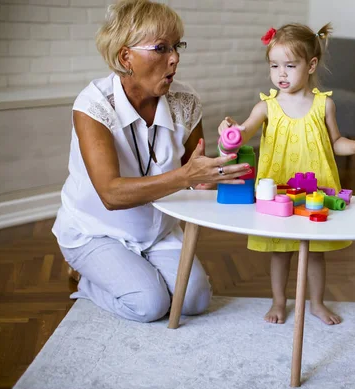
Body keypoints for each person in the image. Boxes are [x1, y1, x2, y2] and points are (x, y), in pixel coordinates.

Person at [52, 0, 251, 323]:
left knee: (195, 301)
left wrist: (215, 169)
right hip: (97, 230)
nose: (174, 58)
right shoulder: (93, 105)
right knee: (150, 304)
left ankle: (134, 273)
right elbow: (111, 195)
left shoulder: (185, 103)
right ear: (125, 56)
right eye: (160, 48)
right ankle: (86, 276)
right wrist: (186, 176)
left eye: (176, 46)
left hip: (158, 231)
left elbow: (195, 174)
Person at [218, 23, 355, 325]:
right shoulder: (266, 107)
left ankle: (316, 303)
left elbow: (335, 143)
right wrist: (232, 129)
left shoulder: (323, 105)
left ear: (311, 65)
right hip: (278, 194)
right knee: (280, 252)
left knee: (315, 253)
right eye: (275, 65)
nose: (281, 74)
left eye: (290, 66)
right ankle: (279, 302)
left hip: (315, 194)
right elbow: (245, 129)